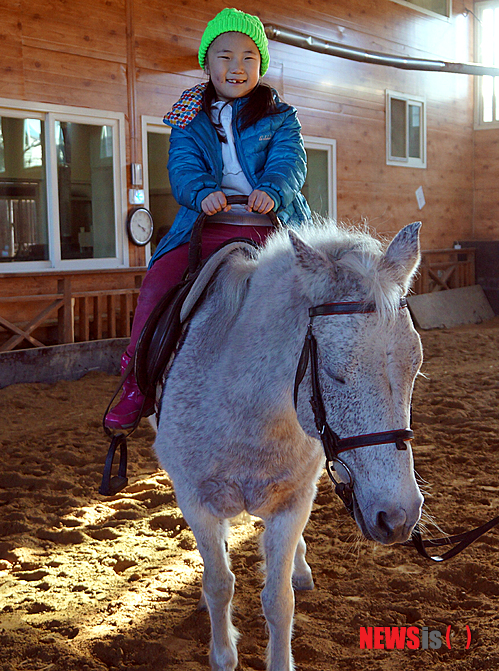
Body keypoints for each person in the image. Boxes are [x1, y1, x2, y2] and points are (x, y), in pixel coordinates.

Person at [105, 7, 311, 430]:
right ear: (206, 61)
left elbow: (291, 163)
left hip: (272, 224)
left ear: (261, 64)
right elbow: (182, 166)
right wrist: (201, 193)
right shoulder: (187, 118)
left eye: (248, 57)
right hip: (205, 226)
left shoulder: (280, 117)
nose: (236, 67)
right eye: (224, 55)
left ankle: (333, 380)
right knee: (158, 282)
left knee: (327, 287)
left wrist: (272, 190)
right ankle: (136, 384)